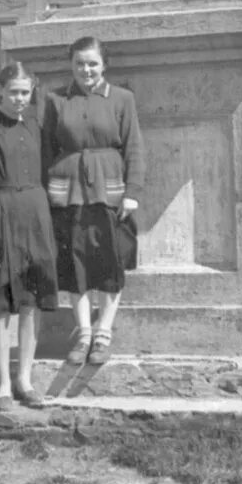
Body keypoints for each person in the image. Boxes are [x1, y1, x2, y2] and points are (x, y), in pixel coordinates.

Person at [42, 36, 144, 366]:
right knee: (76, 264)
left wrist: (132, 193)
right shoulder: (55, 100)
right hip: (68, 192)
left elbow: (134, 148)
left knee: (109, 263)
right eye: (79, 64)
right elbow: (46, 149)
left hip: (109, 190)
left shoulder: (122, 99)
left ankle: (103, 333)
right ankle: (83, 332)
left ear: (104, 65)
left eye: (92, 63)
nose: (86, 70)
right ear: (71, 66)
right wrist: (44, 193)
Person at [0, 62, 58, 410]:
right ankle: (3, 385)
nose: (20, 99)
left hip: (35, 217)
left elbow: (48, 173)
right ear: (0, 91)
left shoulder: (36, 125)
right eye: (13, 92)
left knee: (31, 302)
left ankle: (25, 380)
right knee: (0, 303)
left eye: (25, 92)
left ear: (32, 91)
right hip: (0, 218)